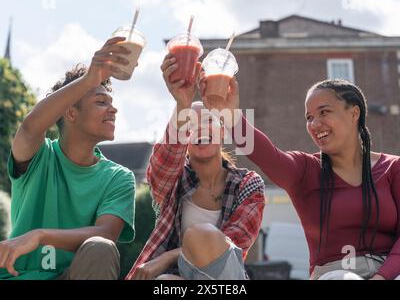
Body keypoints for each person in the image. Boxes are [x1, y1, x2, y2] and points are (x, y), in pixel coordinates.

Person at [199, 77, 400, 280]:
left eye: (324, 112)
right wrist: (231, 116)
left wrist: (382, 277)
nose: (315, 124)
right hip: (334, 275)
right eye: (309, 117)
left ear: (354, 113)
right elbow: (267, 155)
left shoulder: (393, 168)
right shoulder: (305, 170)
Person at [0, 37, 136, 280]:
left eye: (111, 102)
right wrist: (87, 80)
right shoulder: (39, 157)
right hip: (18, 276)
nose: (113, 109)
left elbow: (106, 234)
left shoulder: (119, 177)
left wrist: (40, 235)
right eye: (101, 102)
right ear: (71, 113)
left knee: (100, 248)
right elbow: (30, 128)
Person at [125, 54, 265, 280]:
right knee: (164, 281)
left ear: (222, 131)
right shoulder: (175, 181)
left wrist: (168, 256)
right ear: (184, 140)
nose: (200, 128)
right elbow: (162, 168)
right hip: (177, 276)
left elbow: (234, 243)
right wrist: (182, 104)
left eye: (209, 121)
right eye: (191, 124)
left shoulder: (248, 184)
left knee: (201, 234)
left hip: (225, 280)